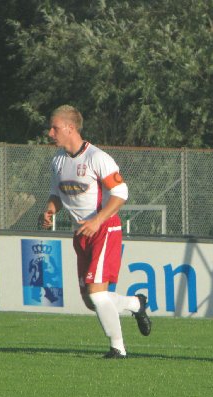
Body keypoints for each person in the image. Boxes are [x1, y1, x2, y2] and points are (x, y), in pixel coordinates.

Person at [41, 105, 151, 359]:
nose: (50, 133)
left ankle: (118, 349)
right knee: (91, 301)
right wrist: (49, 211)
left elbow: (121, 193)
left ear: (70, 128)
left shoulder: (97, 157)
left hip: (104, 230)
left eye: (54, 127)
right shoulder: (58, 161)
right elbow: (56, 194)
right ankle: (135, 304)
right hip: (81, 234)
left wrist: (98, 220)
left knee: (97, 294)